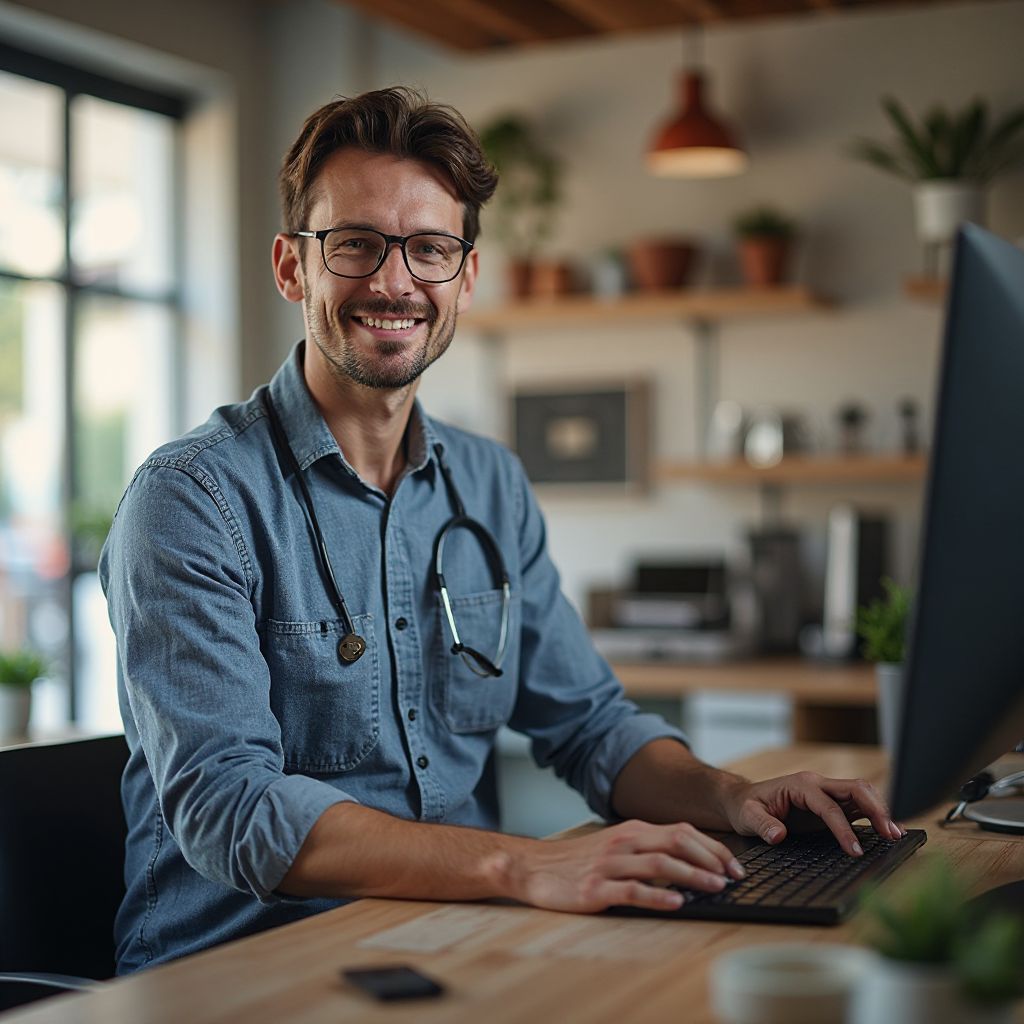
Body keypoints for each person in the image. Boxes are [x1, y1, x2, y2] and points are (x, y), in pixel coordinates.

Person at [99, 87, 902, 973]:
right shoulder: (190, 501)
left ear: (466, 278)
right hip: (241, 969)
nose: (395, 281)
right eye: (356, 244)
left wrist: (737, 796)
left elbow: (589, 727)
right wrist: (525, 863)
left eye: (430, 250)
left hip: (454, 940)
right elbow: (231, 808)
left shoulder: (489, 484)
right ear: (293, 268)